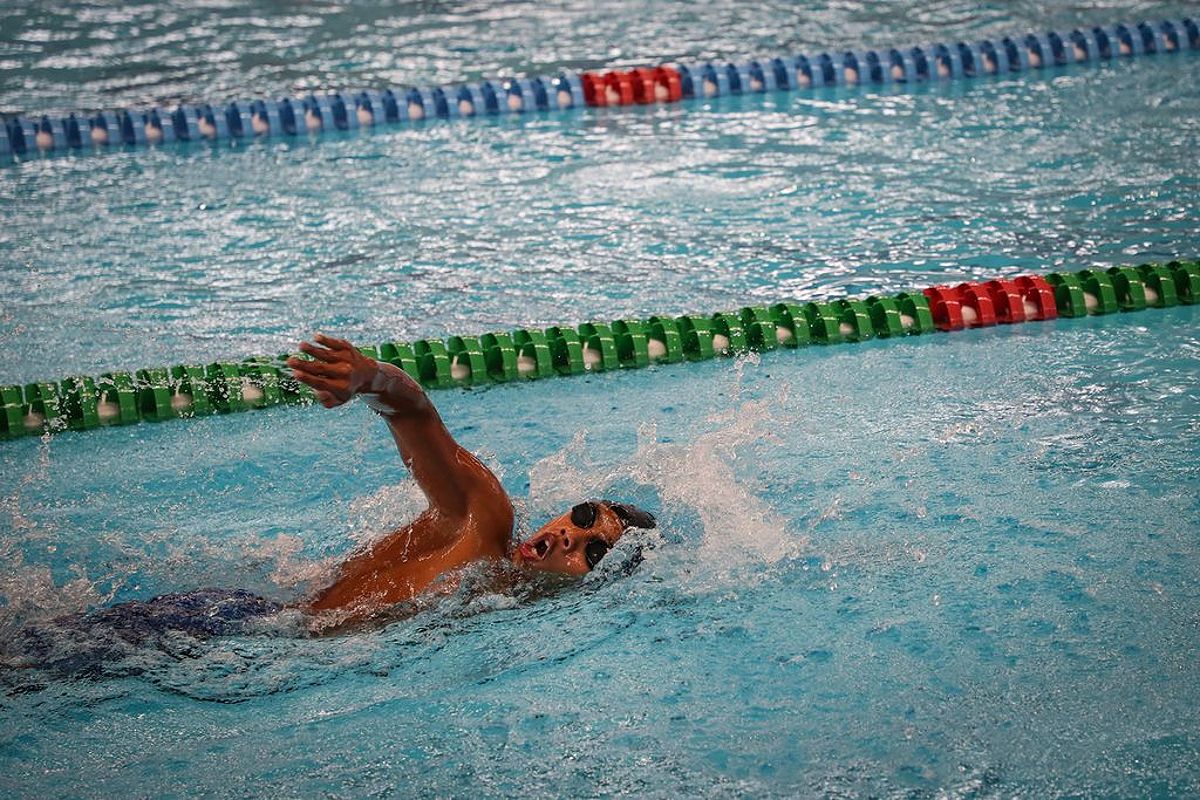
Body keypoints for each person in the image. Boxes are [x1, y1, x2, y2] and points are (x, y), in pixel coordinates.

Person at [286, 334, 655, 620]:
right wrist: (367, 376)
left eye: (594, 552)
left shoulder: (501, 599)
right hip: (255, 626)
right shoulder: (485, 521)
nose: (568, 536)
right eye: (584, 517)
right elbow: (413, 412)